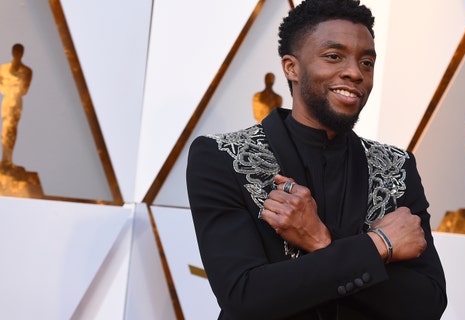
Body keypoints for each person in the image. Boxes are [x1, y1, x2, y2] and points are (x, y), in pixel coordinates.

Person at [187, 0, 447, 318]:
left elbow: (427, 304)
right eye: (334, 56)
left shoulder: (396, 167)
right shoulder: (224, 157)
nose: (355, 72)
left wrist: (322, 241)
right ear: (291, 67)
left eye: (367, 62)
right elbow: (244, 296)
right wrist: (379, 245)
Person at [0, 44, 32, 167]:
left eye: (20, 51)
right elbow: (1, 87)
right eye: (16, 51)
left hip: (17, 101)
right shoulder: (2, 69)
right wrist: (11, 86)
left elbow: (24, 91)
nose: (18, 53)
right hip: (8, 100)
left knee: (12, 128)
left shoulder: (27, 71)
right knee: (6, 126)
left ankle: (9, 159)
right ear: (13, 52)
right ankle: (4, 159)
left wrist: (15, 87)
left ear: (22, 53)